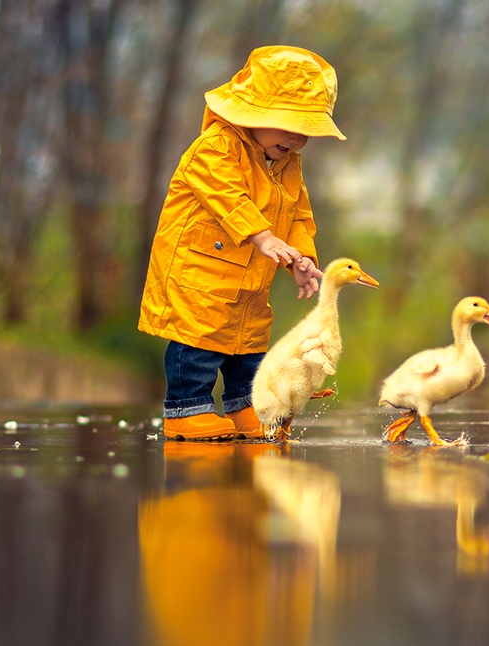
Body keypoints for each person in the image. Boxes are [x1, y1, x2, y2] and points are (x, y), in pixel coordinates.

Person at [139, 45, 346, 441]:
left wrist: (299, 258)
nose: (297, 138)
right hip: (199, 273)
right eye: (289, 123)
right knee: (197, 343)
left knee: (247, 348)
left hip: (249, 278)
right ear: (253, 111)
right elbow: (227, 196)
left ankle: (244, 406)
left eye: (306, 130)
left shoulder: (285, 164)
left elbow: (299, 212)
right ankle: (185, 410)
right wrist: (263, 236)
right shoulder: (215, 147)